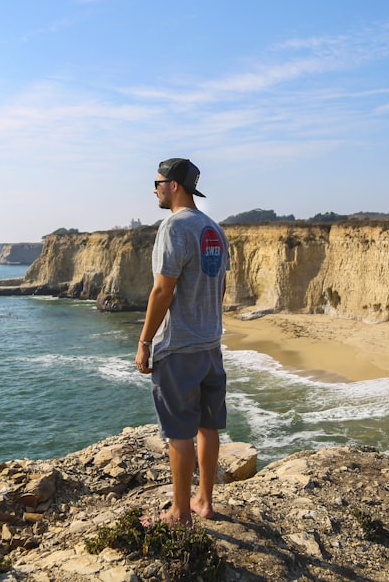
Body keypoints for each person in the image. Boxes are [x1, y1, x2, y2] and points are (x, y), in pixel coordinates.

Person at [135, 157, 229, 526]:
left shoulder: (174, 227)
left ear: (173, 185)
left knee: (179, 432)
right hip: (210, 345)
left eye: (157, 183)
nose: (155, 190)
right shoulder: (214, 229)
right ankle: (203, 501)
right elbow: (219, 286)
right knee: (208, 426)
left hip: (179, 348)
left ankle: (179, 513)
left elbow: (162, 289)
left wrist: (144, 341)